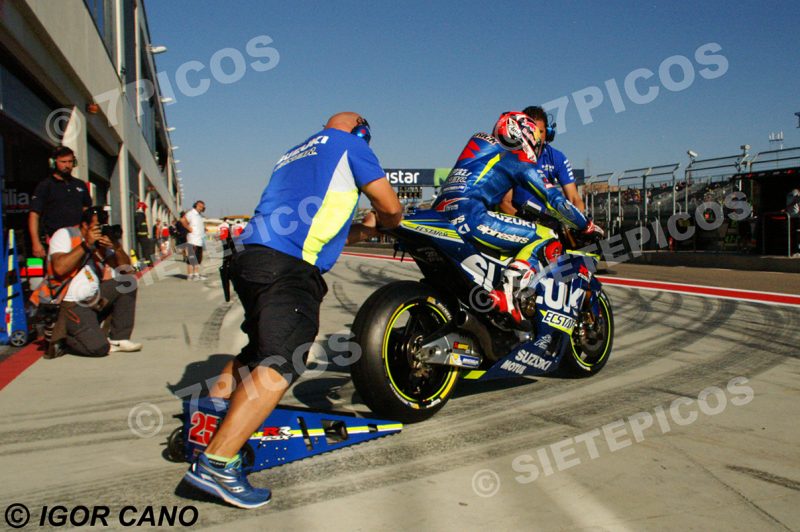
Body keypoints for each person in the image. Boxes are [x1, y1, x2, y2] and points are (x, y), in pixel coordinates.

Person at [181, 112, 402, 509]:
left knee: (259, 350)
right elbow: (390, 206)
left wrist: (363, 231)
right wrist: (386, 221)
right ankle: (217, 462)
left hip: (249, 258)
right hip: (287, 265)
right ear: (362, 133)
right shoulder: (352, 146)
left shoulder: (294, 153)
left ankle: (208, 424)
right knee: (285, 356)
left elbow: (322, 224)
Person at [433, 111, 601, 326]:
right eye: (535, 137)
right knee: (545, 235)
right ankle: (507, 294)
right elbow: (554, 199)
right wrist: (586, 225)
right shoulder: (516, 159)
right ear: (525, 135)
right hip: (471, 216)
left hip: (441, 213)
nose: (537, 145)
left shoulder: (479, 142)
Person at [31, 206, 142, 358]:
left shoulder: (100, 244)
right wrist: (86, 244)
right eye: (97, 227)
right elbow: (59, 268)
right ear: (84, 225)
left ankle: (119, 338)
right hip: (71, 304)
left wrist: (116, 247)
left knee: (127, 283)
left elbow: (127, 271)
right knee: (99, 349)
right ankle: (62, 335)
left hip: (94, 300)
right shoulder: (65, 235)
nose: (100, 230)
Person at [499, 106, 585, 216]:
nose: (536, 137)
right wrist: (533, 223)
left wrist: (578, 220)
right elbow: (504, 203)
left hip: (548, 221)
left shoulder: (557, 157)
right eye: (532, 132)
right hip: (519, 221)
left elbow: (574, 199)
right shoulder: (509, 158)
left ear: (548, 133)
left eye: (540, 132)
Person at [28, 146, 92, 258]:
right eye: (63, 162)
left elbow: (87, 211)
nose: (67, 165)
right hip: (55, 241)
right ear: (53, 162)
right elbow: (34, 215)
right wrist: (36, 243)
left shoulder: (80, 185)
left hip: (79, 240)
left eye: (70, 162)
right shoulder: (45, 186)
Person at [181, 201, 206, 280]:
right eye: (201, 206)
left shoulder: (199, 215)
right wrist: (189, 228)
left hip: (199, 240)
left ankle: (196, 274)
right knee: (192, 258)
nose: (202, 208)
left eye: (203, 207)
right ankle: (190, 275)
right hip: (193, 239)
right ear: (196, 206)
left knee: (198, 258)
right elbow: (182, 220)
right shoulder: (191, 213)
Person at [133, 202, 154, 266]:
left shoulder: (140, 214)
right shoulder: (140, 215)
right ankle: (149, 263)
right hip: (142, 236)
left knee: (146, 250)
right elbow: (138, 225)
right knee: (146, 250)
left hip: (143, 235)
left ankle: (149, 262)